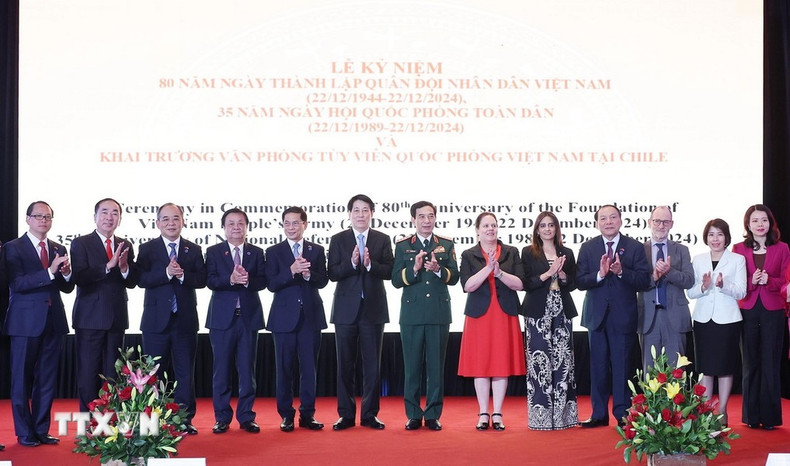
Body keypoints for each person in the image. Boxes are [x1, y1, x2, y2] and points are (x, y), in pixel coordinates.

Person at [3, 201, 73, 447]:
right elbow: (17, 283)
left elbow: (66, 287)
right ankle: (24, 433)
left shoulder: (58, 247)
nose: (44, 220)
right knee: (21, 380)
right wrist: (50, 272)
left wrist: (65, 274)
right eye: (38, 216)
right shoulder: (13, 248)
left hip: (54, 322)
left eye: (48, 217)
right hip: (24, 323)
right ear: (27, 219)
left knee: (47, 380)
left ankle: (41, 430)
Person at [577, 204, 651, 428]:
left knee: (622, 367)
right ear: (597, 223)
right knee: (598, 367)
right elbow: (579, 281)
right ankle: (598, 414)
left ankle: (622, 413)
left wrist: (622, 273)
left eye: (612, 217)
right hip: (596, 317)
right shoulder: (588, 247)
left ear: (620, 220)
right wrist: (599, 275)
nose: (608, 222)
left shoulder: (634, 247)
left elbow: (644, 281)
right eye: (603, 218)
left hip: (623, 317)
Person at [137, 203, 206, 435]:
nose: (171, 223)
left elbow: (202, 279)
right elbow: (141, 279)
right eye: (165, 219)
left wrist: (183, 275)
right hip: (155, 322)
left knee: (185, 373)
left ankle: (184, 419)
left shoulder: (193, 249)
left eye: (175, 218)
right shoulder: (147, 249)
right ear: (157, 223)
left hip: (185, 321)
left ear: (183, 221)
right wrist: (166, 273)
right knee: (152, 373)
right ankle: (153, 421)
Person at [328, 194, 394, 430]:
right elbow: (332, 273)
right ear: (349, 214)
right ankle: (345, 414)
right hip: (345, 311)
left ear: (372, 213)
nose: (360, 214)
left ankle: (369, 414)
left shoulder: (382, 239)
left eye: (365, 210)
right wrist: (353, 263)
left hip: (373, 311)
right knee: (345, 365)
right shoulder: (338, 240)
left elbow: (390, 271)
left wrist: (369, 264)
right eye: (356, 210)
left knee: (372, 366)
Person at [392, 201, 459, 431]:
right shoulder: (402, 246)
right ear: (413, 220)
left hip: (439, 314)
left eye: (430, 216)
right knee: (411, 368)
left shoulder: (446, 244)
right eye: (422, 217)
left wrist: (438, 270)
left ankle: (432, 414)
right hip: (411, 314)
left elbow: (455, 277)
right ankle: (412, 414)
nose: (427, 221)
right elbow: (395, 280)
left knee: (435, 368)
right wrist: (414, 269)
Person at [458, 212, 525, 431]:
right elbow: (467, 285)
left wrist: (499, 272)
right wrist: (488, 268)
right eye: (485, 225)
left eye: (494, 225)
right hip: (479, 316)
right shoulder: (469, 254)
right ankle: (483, 413)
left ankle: (497, 413)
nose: (490, 229)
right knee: (481, 365)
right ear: (477, 230)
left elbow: (519, 284)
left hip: (504, 313)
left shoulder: (511, 252)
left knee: (500, 364)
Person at [70, 198, 138, 412]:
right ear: (95, 217)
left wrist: (125, 267)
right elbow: (79, 277)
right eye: (105, 212)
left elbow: (131, 281)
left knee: (113, 374)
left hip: (116, 319)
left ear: (120, 218)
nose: (110, 217)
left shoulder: (125, 244)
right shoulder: (81, 243)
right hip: (90, 319)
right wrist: (108, 266)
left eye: (115, 213)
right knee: (88, 375)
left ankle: (109, 425)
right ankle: (88, 427)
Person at [265, 207, 328, 432]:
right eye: (287, 223)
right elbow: (271, 284)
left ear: (305, 225)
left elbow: (323, 281)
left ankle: (308, 414)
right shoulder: (273, 252)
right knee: (284, 369)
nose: (291, 227)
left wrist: (309, 275)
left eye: (296, 223)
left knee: (309, 369)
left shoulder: (317, 250)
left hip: (310, 318)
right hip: (283, 319)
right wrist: (291, 270)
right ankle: (286, 415)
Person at [205, 208, 267, 434]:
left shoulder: (257, 252)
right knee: (221, 371)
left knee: (246, 371)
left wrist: (249, 280)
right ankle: (222, 417)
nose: (236, 227)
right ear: (224, 228)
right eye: (231, 223)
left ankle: (246, 416)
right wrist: (229, 279)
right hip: (222, 320)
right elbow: (209, 280)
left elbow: (263, 282)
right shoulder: (213, 252)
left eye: (240, 223)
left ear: (247, 226)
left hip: (248, 319)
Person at [732, 205, 789, 430]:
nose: (759, 225)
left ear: (770, 222)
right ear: (748, 224)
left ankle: (771, 418)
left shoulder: (782, 248)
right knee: (750, 363)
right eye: (755, 221)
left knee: (771, 363)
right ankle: (752, 417)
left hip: (773, 310)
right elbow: (737, 282)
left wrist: (770, 280)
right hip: (747, 308)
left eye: (763, 220)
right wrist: (752, 281)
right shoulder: (738, 249)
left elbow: (786, 281)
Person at [521, 211, 578, 430]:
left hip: (561, 311)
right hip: (537, 313)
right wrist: (548, 273)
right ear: (537, 229)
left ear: (556, 228)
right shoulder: (528, 253)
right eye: (543, 225)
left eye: (551, 225)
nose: (547, 229)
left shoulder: (567, 252)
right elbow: (526, 283)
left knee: (563, 363)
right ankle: (540, 418)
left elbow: (573, 284)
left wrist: (562, 275)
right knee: (539, 364)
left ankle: (564, 417)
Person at [688, 218, 746, 427]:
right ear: (706, 237)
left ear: (726, 237)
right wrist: (704, 287)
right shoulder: (698, 259)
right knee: (705, 367)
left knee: (725, 366)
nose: (715, 239)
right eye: (711, 234)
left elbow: (741, 291)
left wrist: (723, 284)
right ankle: (705, 411)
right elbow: (691, 292)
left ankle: (721, 410)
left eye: (719, 234)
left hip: (728, 320)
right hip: (703, 319)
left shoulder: (737, 260)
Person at [636, 206, 695, 370]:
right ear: (649, 222)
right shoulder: (640, 250)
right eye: (657, 221)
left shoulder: (682, 250)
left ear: (671, 224)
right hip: (648, 317)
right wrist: (654, 277)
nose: (661, 226)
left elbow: (689, 280)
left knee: (677, 371)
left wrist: (669, 271)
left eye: (665, 222)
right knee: (650, 370)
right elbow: (636, 282)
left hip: (675, 316)